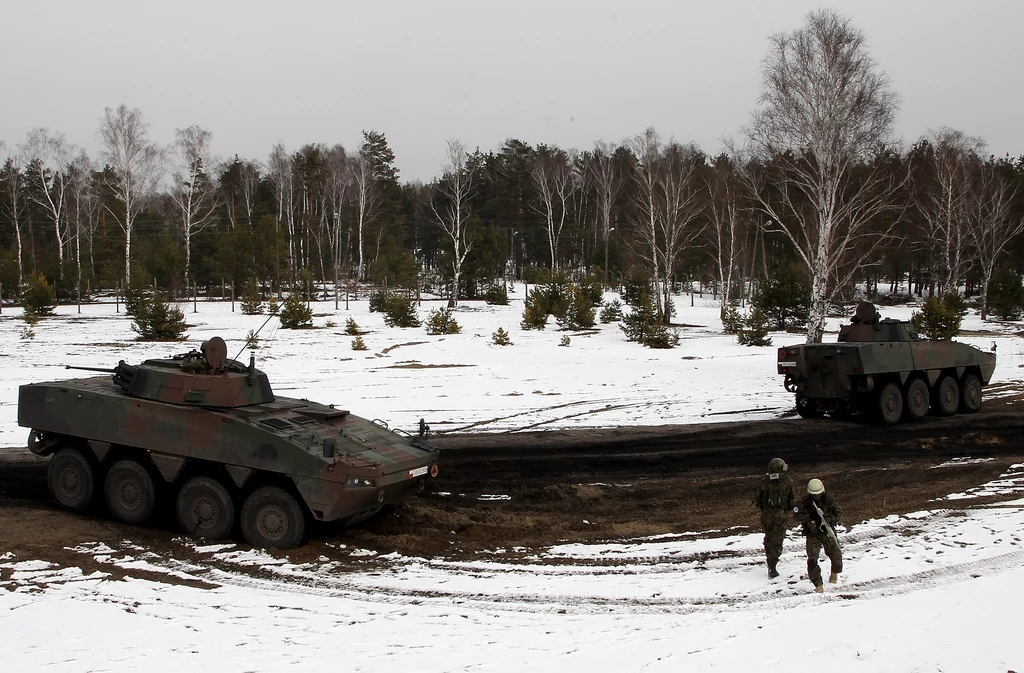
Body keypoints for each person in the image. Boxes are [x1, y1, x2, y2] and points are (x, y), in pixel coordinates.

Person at [798, 478, 843, 593]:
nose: (816, 497)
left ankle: (834, 574)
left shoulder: (829, 500)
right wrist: (810, 520)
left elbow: (838, 514)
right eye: (814, 495)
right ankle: (818, 584)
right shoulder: (805, 502)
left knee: (836, 554)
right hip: (813, 534)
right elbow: (797, 515)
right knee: (812, 559)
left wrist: (829, 519)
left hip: (827, 531)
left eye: (818, 495)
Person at [753, 457, 794, 578]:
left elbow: (758, 499)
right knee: (777, 539)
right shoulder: (787, 480)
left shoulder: (764, 481)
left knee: (769, 536)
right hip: (780, 515)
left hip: (767, 515)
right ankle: (772, 565)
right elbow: (791, 498)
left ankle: (770, 559)